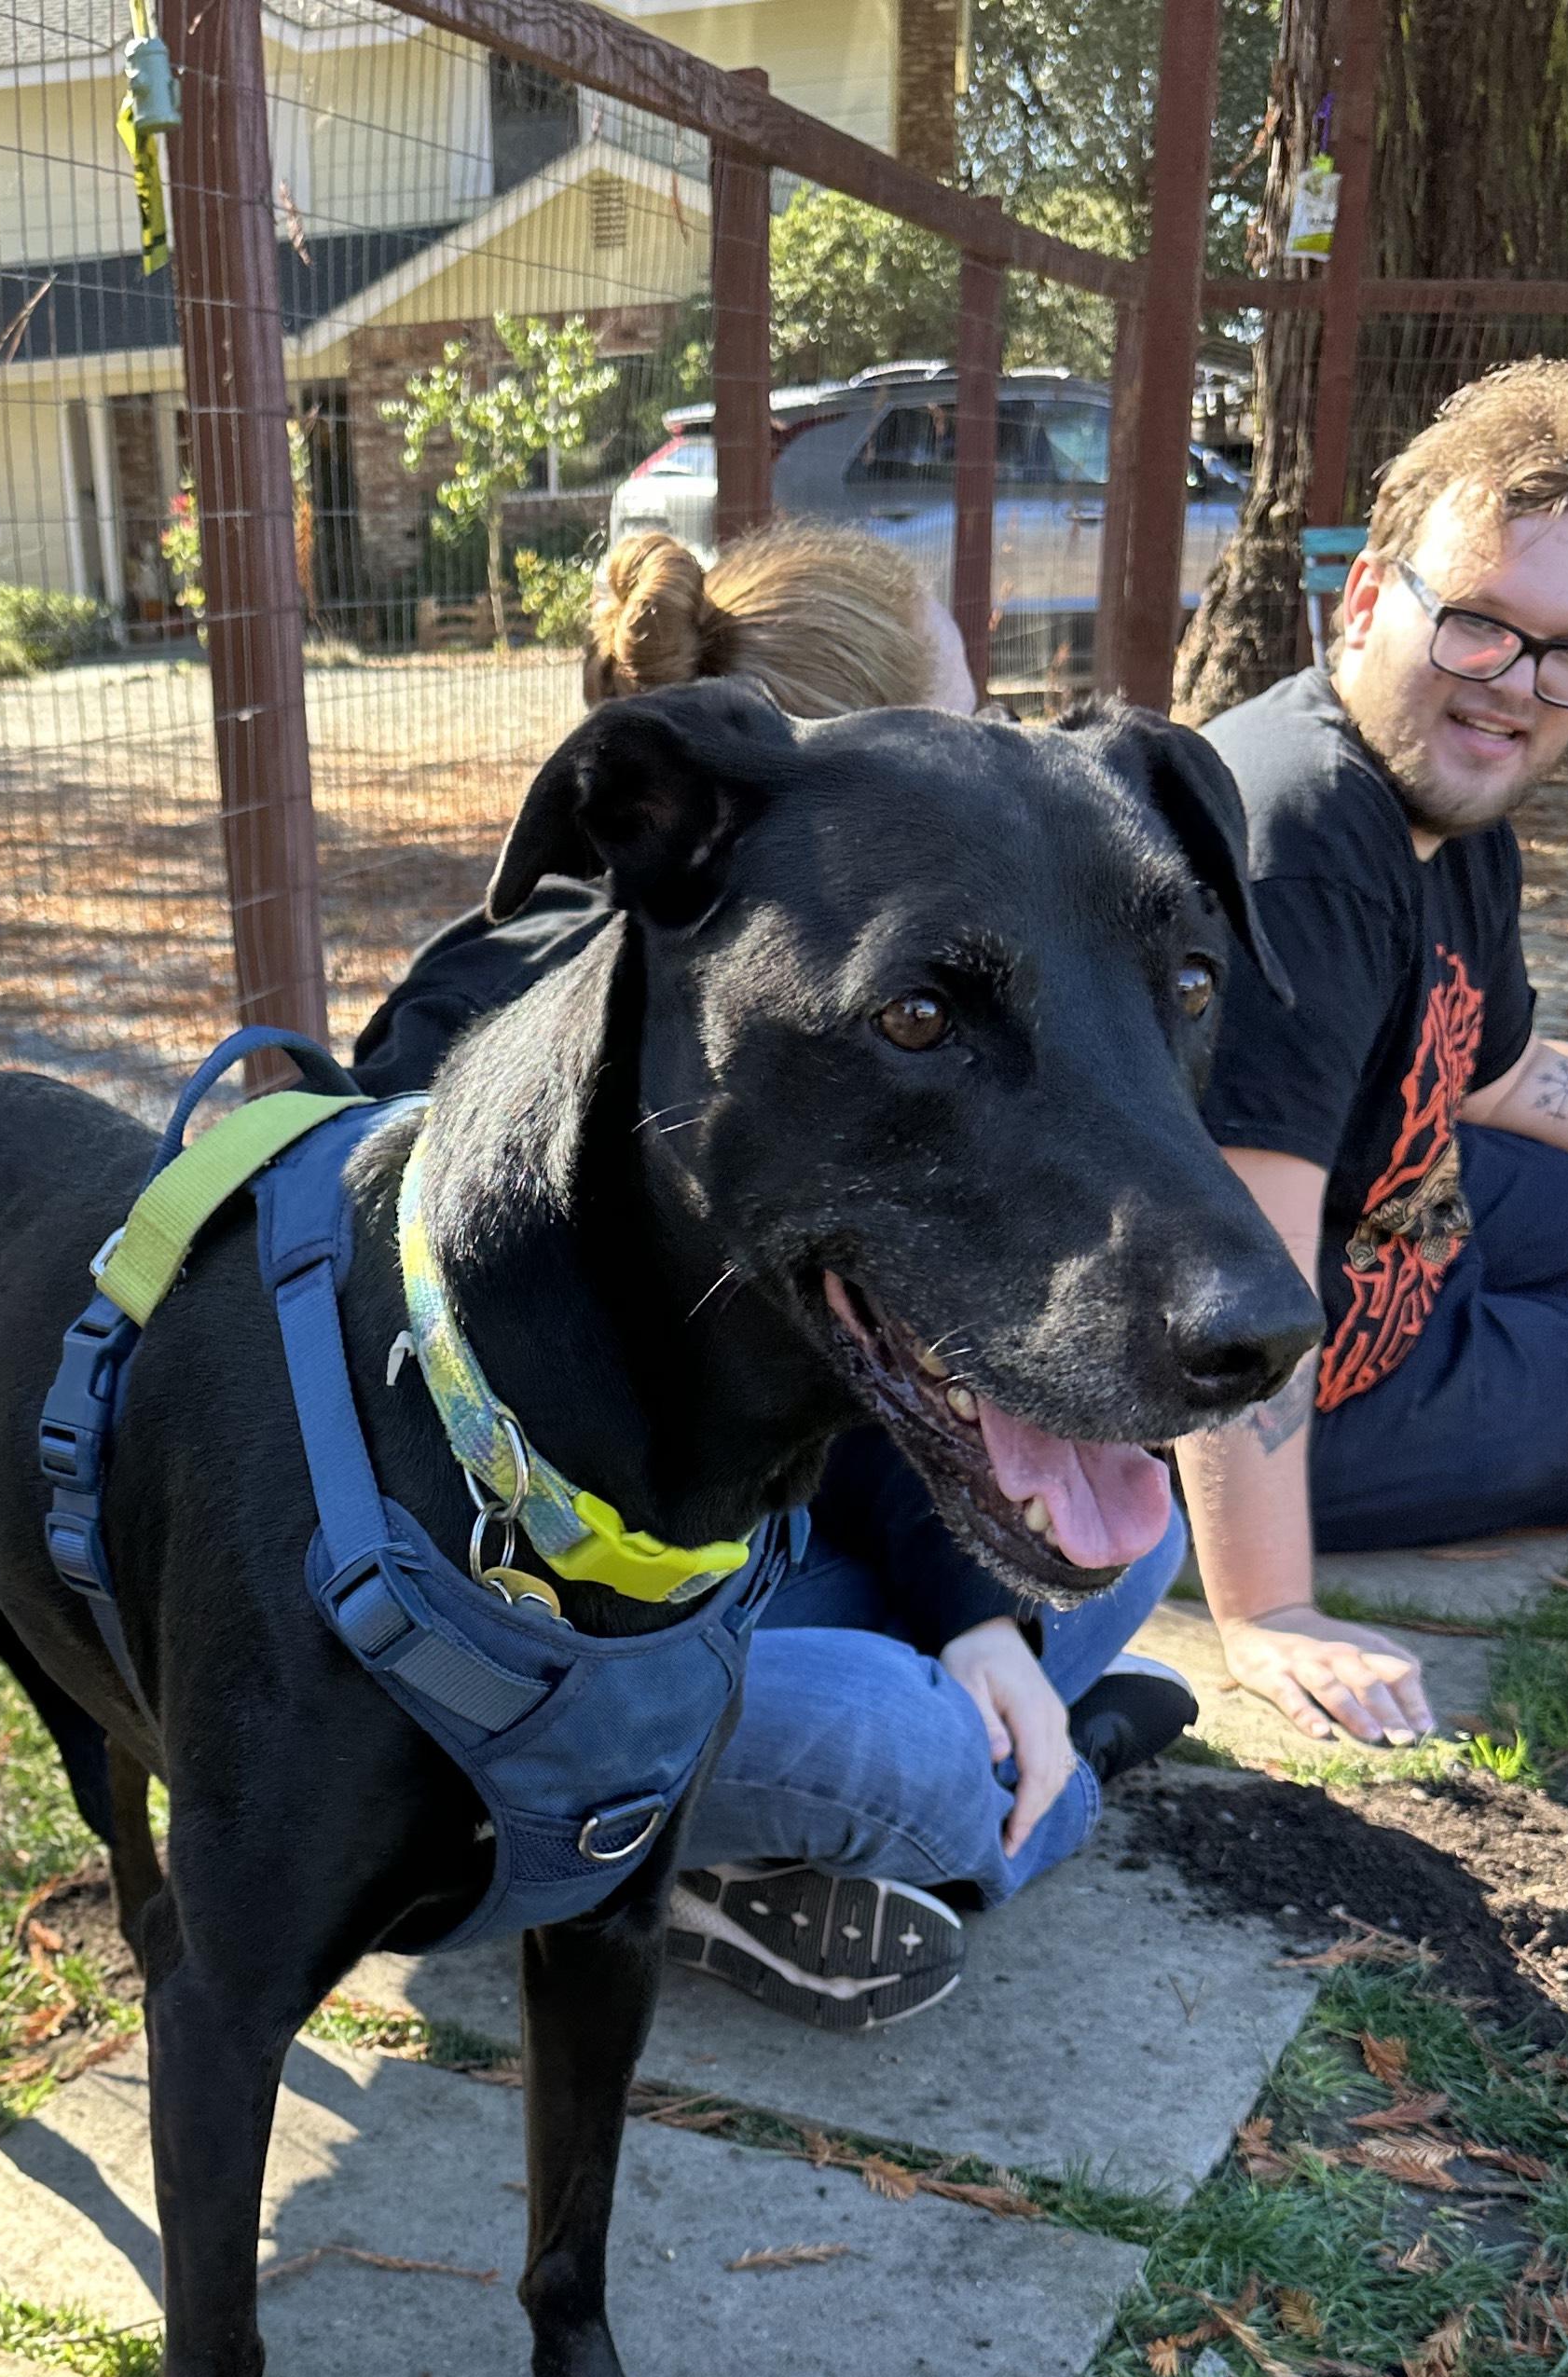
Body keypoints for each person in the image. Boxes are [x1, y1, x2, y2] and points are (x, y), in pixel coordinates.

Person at [350, 523, 1201, 2035]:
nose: (998, 754)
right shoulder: (497, 1016)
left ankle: (962, 1737)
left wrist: (975, 1618)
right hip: (533, 1602)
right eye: (965, 723)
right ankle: (691, 1853)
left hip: (756, 1533)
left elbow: (858, 1351)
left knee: (1123, 1522)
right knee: (915, 1746)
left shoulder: (873, 995)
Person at [1190, 360, 1568, 1750]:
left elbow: (1499, 1073)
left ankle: (1514, 1343)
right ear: (1365, 602)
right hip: (1274, 1359)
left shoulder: (1451, 806)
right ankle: (1304, 1485)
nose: (1517, 688)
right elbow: (1238, 1265)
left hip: (1399, 1226)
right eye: (1479, 626)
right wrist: (1268, 1612)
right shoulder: (1303, 843)